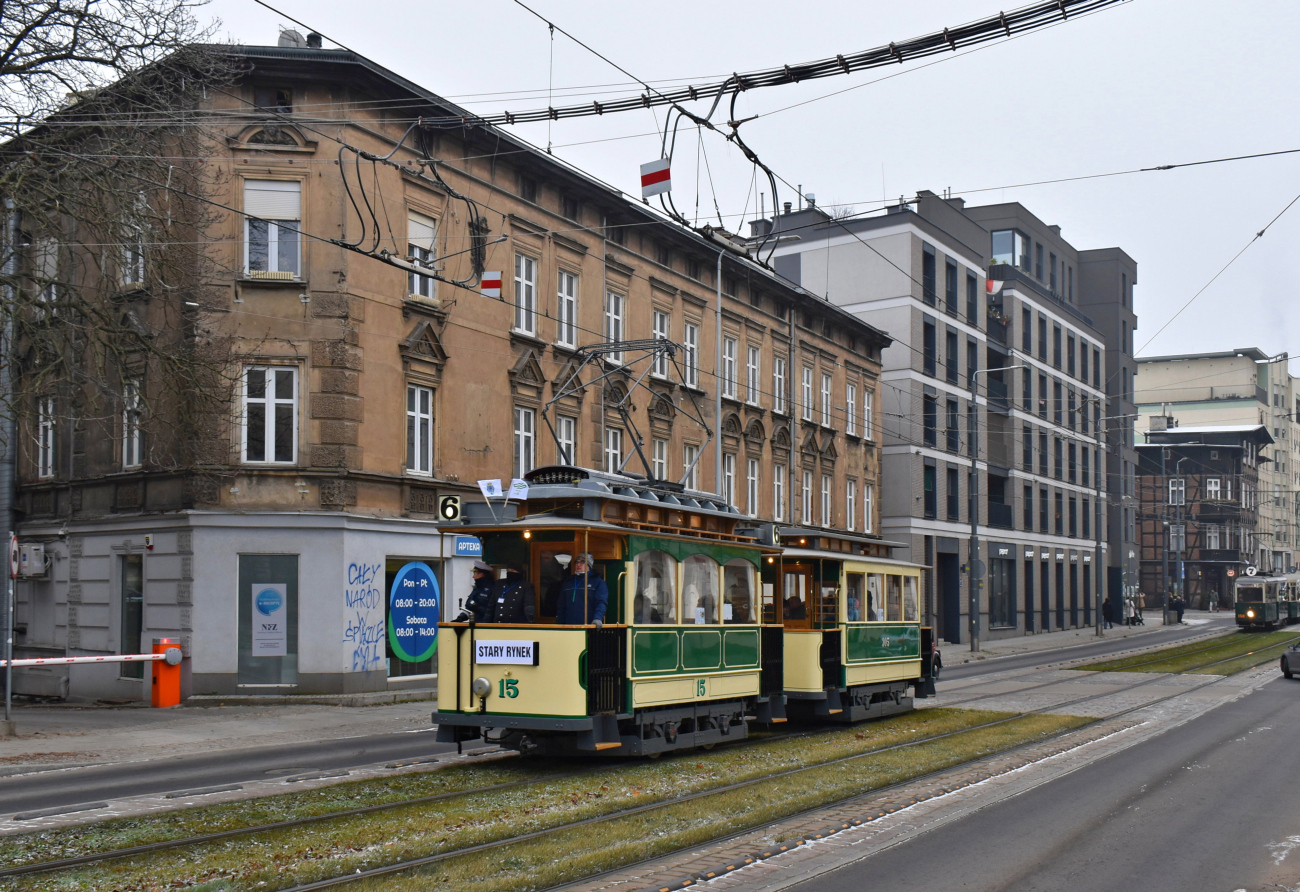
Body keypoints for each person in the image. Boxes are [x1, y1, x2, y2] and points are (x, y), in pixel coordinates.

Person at [554, 553, 608, 626]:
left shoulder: (597, 582)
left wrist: (597, 618)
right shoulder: (568, 582)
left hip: (589, 626)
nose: (578, 565)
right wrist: (560, 623)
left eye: (582, 562)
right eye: (577, 562)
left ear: (589, 565)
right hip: (568, 626)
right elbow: (561, 605)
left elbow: (601, 602)